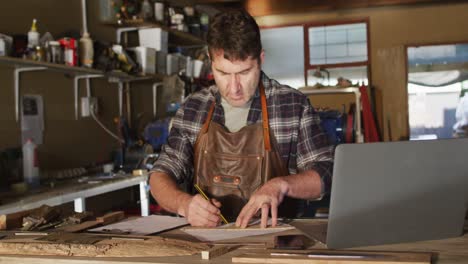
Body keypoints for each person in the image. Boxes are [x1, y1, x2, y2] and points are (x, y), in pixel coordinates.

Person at [149, 9, 334, 228]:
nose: (234, 88)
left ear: (261, 59)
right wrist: (184, 204)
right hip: (209, 246)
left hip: (276, 246)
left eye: (244, 72)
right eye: (223, 74)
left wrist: (281, 185)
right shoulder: (194, 108)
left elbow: (326, 172)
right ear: (210, 61)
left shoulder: (292, 105)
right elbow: (159, 175)